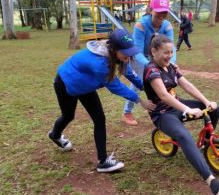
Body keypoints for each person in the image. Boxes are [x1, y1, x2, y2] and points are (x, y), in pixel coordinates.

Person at [48, 29, 155, 173]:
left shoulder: (119, 56)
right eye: (126, 52)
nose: (129, 55)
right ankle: (54, 135)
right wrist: (139, 100)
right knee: (68, 115)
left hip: (85, 86)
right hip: (66, 82)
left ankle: (103, 161)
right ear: (114, 49)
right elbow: (116, 87)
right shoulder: (100, 64)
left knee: (99, 119)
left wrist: (146, 88)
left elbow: (128, 72)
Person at [143, 34, 219, 195]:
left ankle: (205, 145)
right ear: (154, 52)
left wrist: (206, 101)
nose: (169, 56)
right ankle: (211, 181)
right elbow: (164, 96)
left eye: (171, 52)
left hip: (177, 106)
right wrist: (187, 109)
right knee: (183, 135)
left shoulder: (171, 67)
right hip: (162, 114)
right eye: (165, 52)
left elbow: (186, 85)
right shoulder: (151, 70)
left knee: (214, 110)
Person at [122, 0, 177, 125]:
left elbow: (171, 49)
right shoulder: (141, 25)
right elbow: (137, 51)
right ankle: (126, 112)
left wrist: (171, 64)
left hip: (157, 58)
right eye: (158, 12)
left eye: (164, 13)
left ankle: (164, 107)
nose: (161, 17)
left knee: (165, 81)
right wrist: (153, 67)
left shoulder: (168, 26)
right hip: (139, 58)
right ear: (151, 9)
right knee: (139, 84)